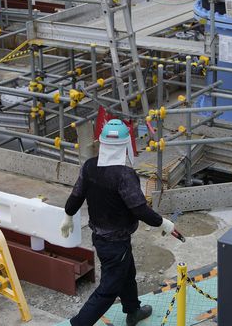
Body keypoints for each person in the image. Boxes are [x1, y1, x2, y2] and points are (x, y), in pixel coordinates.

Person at [60, 119, 175, 326]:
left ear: (102, 143)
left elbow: (77, 194)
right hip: (116, 242)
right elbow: (139, 209)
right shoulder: (124, 175)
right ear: (125, 145)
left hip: (101, 238)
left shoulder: (90, 166)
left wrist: (68, 215)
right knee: (108, 290)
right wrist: (163, 223)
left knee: (128, 273)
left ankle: (133, 311)